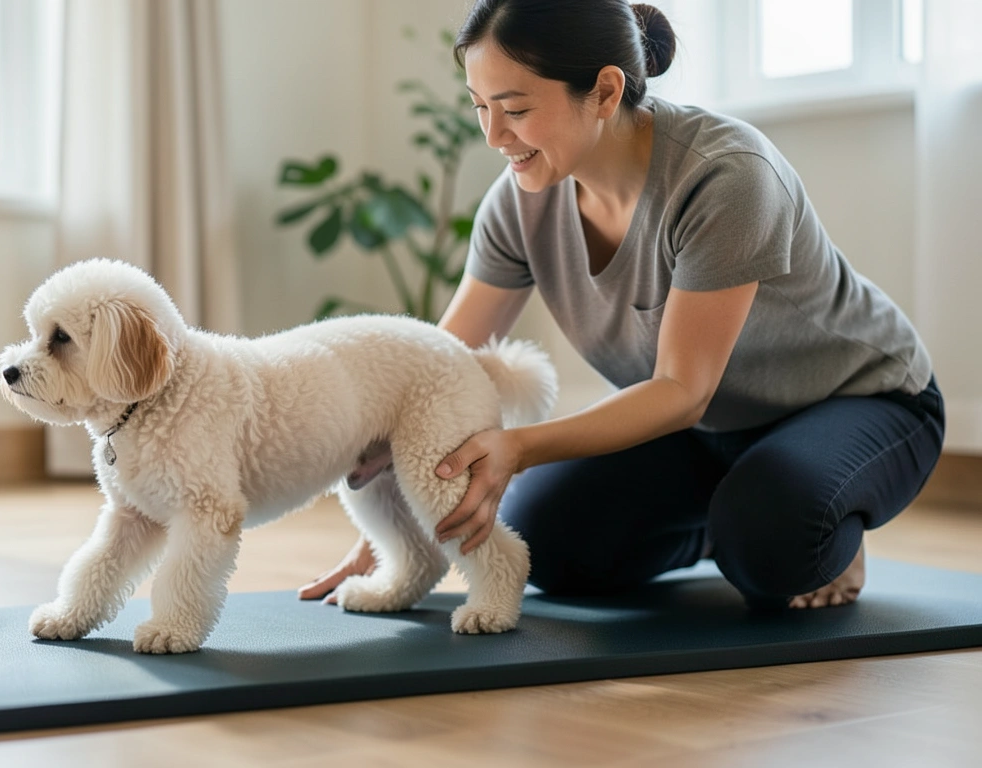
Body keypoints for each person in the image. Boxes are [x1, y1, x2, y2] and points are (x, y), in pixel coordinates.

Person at [299, 0, 945, 611]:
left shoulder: (725, 174)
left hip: (860, 399)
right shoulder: (519, 201)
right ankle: (727, 523)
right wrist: (393, 522)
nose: (494, 136)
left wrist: (516, 446)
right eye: (479, 107)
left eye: (515, 109)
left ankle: (807, 525)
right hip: (701, 432)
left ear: (606, 92)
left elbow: (681, 390)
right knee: (543, 540)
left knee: (771, 544)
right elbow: (441, 363)